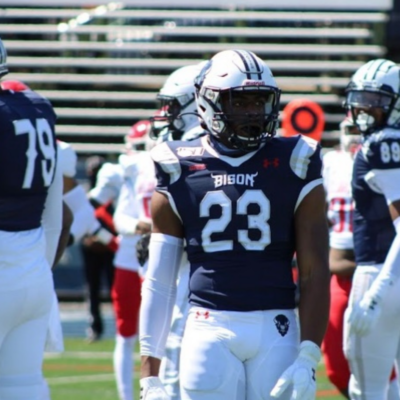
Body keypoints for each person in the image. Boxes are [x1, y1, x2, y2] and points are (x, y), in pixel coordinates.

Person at [139, 49, 330, 400]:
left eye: (259, 102)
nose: (253, 113)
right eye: (240, 103)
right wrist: (149, 375)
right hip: (208, 325)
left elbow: (315, 271)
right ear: (209, 103)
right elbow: (160, 280)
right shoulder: (177, 164)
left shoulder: (297, 160)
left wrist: (308, 355)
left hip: (278, 325)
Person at [0, 38, 71, 400]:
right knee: (23, 387)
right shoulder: (36, 109)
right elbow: (55, 213)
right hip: (33, 268)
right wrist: (39, 268)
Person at [148, 62, 206, 400]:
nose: (164, 114)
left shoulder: (190, 153)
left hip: (199, 283)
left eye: (170, 105)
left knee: (177, 364)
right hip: (198, 278)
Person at [343, 58, 400, 400]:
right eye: (362, 98)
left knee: (368, 390)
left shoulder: (383, 144)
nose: (364, 108)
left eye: (376, 100)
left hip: (381, 271)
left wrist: (377, 291)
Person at [111, 119, 157, 400]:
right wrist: (140, 225)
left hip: (160, 258)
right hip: (130, 259)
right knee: (127, 334)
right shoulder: (131, 173)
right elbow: (119, 217)